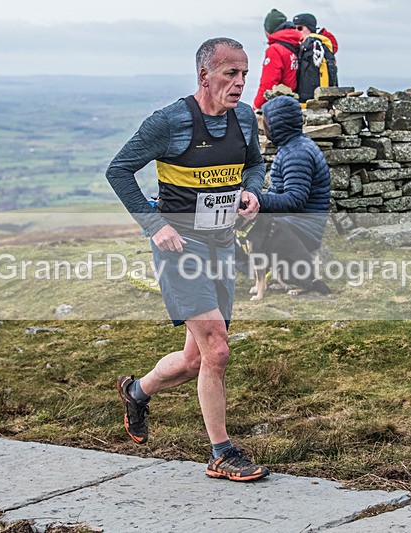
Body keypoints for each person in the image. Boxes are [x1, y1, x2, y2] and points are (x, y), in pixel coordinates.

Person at [106, 37, 270, 482]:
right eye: (230, 74)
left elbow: (254, 164)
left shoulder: (244, 120)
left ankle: (137, 391)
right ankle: (221, 452)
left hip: (222, 245)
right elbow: (118, 170)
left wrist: (252, 191)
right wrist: (155, 224)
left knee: (197, 359)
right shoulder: (171, 122)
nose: (239, 83)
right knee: (218, 349)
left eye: (244, 74)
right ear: (204, 76)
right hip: (181, 248)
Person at [252, 94, 331, 292]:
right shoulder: (293, 146)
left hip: (302, 228)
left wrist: (257, 201)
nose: (263, 125)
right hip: (296, 223)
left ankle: (296, 278)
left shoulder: (297, 153)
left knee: (249, 232)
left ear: (278, 124)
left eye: (266, 120)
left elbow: (295, 200)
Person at [252, 8, 302, 110]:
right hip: (294, 102)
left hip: (279, 106)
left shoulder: (275, 50)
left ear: (269, 30)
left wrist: (256, 107)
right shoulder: (294, 45)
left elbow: (268, 83)